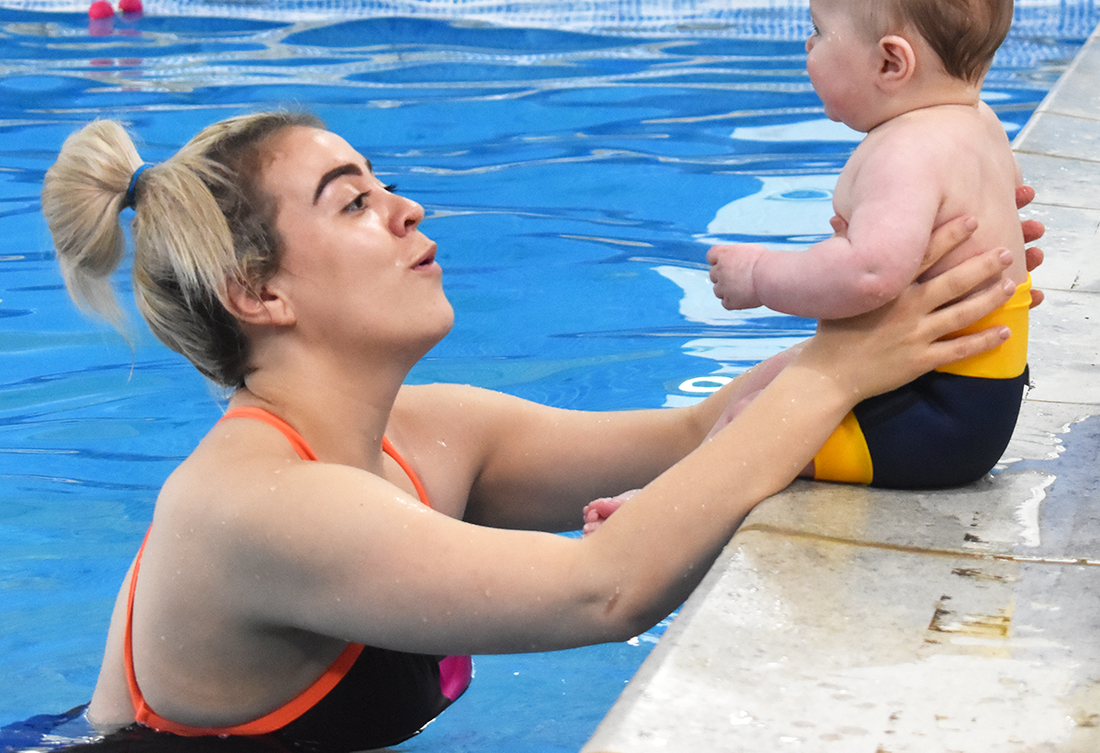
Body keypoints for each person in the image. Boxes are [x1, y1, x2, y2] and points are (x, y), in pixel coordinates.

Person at [41, 110, 1029, 751]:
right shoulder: (259, 503)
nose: (405, 206)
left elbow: (695, 436)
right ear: (257, 291)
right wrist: (834, 371)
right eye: (352, 200)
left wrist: (921, 294)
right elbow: (600, 588)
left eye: (380, 182)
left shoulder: (426, 433)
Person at [705, 0, 1033, 490]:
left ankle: (658, 514)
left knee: (748, 422)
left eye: (819, 30)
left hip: (937, 413)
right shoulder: (978, 124)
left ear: (889, 61)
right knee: (769, 383)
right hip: (972, 395)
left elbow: (868, 277)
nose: (808, 47)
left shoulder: (906, 151)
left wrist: (759, 275)